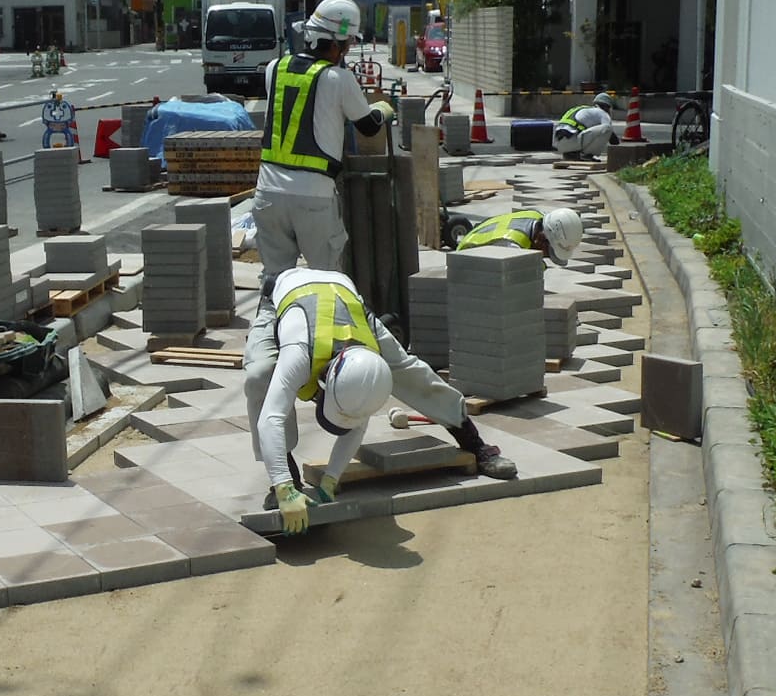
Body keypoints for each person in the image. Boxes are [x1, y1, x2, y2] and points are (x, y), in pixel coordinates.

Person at [246, 266, 517, 535]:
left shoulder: (366, 365)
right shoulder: (299, 354)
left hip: (346, 300)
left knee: (410, 371)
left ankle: (472, 441)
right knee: (260, 377)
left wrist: (330, 481)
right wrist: (284, 487)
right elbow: (272, 418)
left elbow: (358, 415)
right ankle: (286, 476)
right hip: (281, 301)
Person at [253, 0, 397, 281]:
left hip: (267, 194)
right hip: (313, 198)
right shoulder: (338, 79)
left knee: (274, 283)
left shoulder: (274, 69)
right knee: (326, 283)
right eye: (346, 45)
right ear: (334, 44)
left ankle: (267, 327)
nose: (346, 51)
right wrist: (382, 109)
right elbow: (368, 126)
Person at [454, 206, 585, 264]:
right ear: (541, 239)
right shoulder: (512, 247)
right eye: (548, 253)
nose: (546, 257)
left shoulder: (537, 217)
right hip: (465, 260)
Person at [554, 91, 618, 160]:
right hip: (572, 141)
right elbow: (612, 137)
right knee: (607, 128)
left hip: (559, 144)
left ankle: (570, 154)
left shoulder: (584, 110)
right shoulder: (602, 113)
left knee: (584, 131)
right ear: (607, 107)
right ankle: (587, 155)